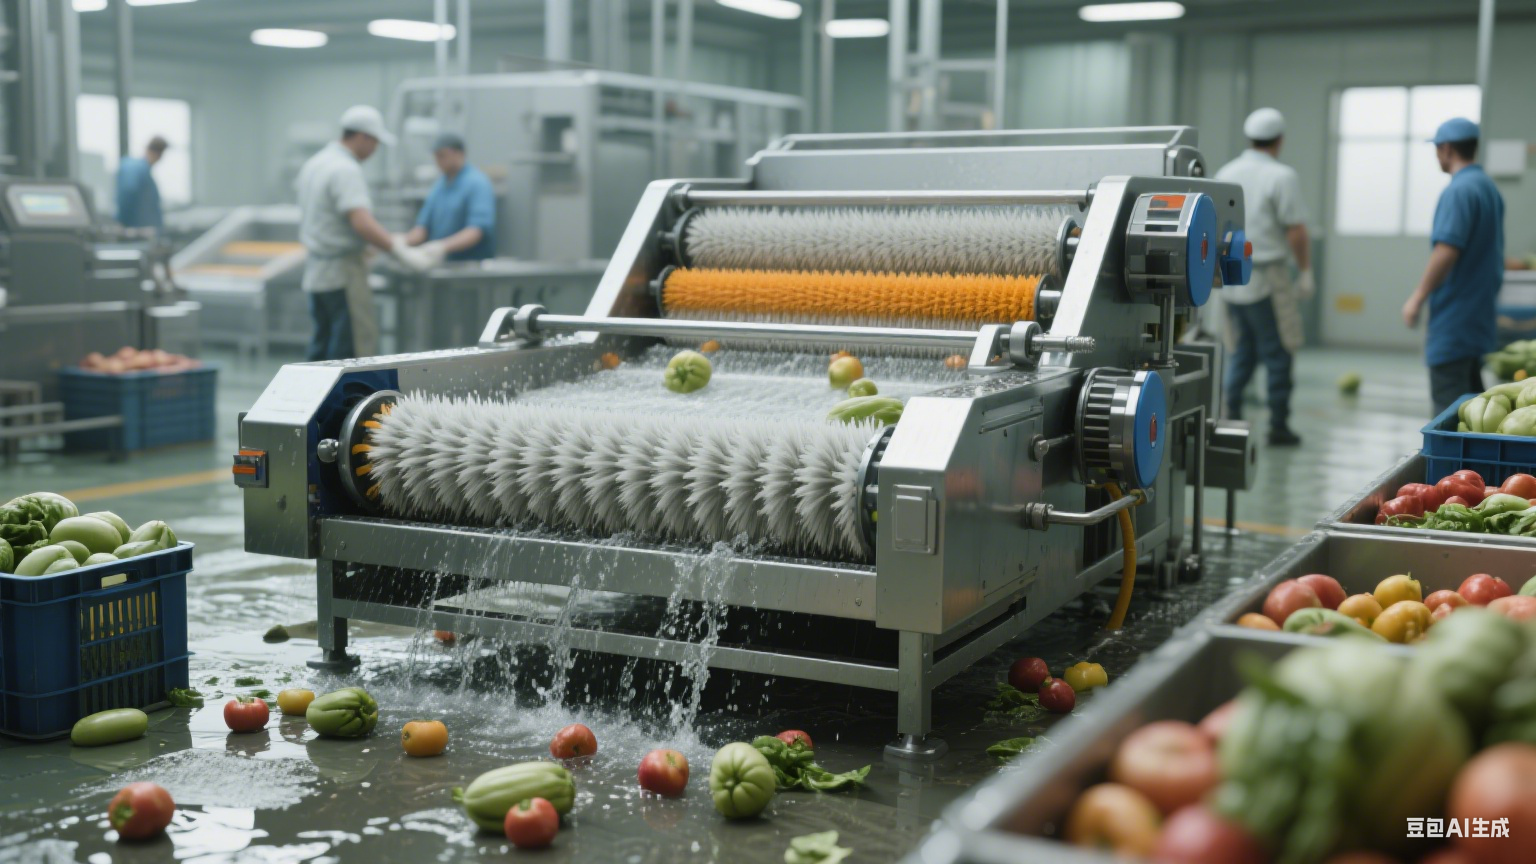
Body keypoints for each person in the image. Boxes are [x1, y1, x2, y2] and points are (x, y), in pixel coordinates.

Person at [295, 105, 430, 361]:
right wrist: (398, 249)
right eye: (375, 143)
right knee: (350, 350)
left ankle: (314, 401)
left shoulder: (315, 163)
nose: (375, 150)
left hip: (317, 274)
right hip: (342, 275)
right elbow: (361, 222)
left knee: (322, 348)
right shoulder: (346, 169)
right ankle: (343, 402)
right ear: (362, 137)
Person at [1215, 108, 1314, 447]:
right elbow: (1297, 230)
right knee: (1279, 351)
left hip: (1231, 278)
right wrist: (1304, 271)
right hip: (1268, 276)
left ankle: (1230, 420)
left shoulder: (1226, 172)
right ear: (1280, 140)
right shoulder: (1281, 176)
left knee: (1241, 350)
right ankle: (1279, 425)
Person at [1402, 118, 1505, 418]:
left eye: (1436, 149)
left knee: (1450, 415)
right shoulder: (1488, 188)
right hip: (1478, 318)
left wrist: (1417, 297)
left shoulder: (1459, 191)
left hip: (1455, 320)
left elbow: (1447, 249)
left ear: (1446, 149)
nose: (1436, 155)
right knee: (1476, 412)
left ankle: (1456, 466)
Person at [402, 133, 496, 265]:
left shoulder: (477, 183)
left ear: (459, 154)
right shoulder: (439, 186)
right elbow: (423, 228)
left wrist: (442, 246)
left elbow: (476, 230)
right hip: (443, 265)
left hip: (471, 265)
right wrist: (400, 243)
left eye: (442, 155)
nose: (438, 161)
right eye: (436, 156)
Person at [115, 136, 168, 231]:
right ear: (159, 155)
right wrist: (124, 226)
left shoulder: (141, 170)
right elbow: (128, 192)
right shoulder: (135, 168)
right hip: (135, 232)